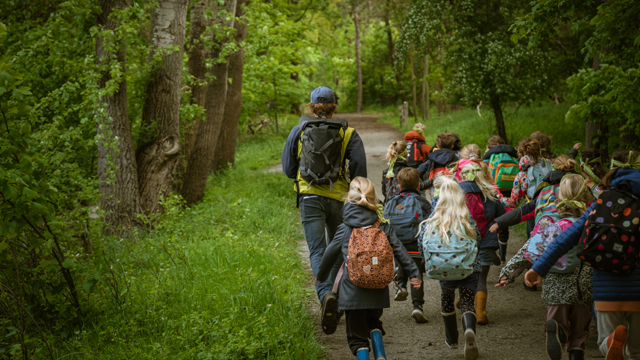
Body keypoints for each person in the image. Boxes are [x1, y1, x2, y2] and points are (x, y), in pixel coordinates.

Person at [525, 150, 640, 360]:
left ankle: (610, 342)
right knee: (636, 351)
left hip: (607, 290)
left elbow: (566, 237)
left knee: (607, 343)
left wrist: (538, 268)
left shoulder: (601, 203)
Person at [281, 86, 367, 335]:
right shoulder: (348, 132)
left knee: (317, 249)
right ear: (334, 107)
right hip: (340, 199)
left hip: (309, 198)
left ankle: (324, 296)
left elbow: (288, 170)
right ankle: (335, 296)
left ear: (311, 107)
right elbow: (360, 172)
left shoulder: (298, 131)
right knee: (340, 247)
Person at [317, 177, 421, 360]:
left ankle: (366, 353)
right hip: (377, 289)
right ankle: (380, 352)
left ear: (349, 199)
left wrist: (322, 275)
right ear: (373, 199)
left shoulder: (345, 229)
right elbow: (401, 252)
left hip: (352, 291)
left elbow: (329, 254)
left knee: (357, 339)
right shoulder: (382, 227)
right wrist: (414, 273)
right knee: (374, 321)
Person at [494, 174, 595, 360]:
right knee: (579, 336)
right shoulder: (593, 222)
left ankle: (558, 330)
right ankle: (574, 348)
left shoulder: (550, 222)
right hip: (583, 284)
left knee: (556, 320)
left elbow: (530, 249)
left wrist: (508, 272)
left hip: (555, 285)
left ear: (559, 195)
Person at [422, 175, 481, 359]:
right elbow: (477, 237)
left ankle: (451, 338)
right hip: (468, 266)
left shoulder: (435, 216)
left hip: (444, 266)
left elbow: (422, 239)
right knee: (467, 302)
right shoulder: (466, 215)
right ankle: (469, 329)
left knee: (447, 298)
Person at [455, 159, 506, 325]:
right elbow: (502, 217)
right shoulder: (490, 194)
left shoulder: (456, 196)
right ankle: (481, 313)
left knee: (465, 274)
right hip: (487, 241)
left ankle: (466, 303)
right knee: (482, 278)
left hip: (463, 242)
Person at [383, 167, 432, 322]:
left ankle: (401, 286)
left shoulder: (392, 202)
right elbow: (428, 224)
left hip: (397, 244)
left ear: (399, 186)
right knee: (416, 273)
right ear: (419, 185)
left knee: (401, 263)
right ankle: (417, 306)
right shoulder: (423, 202)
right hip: (415, 243)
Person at [482, 135, 519, 263]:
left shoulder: (488, 157)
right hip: (508, 191)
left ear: (489, 146)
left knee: (491, 219)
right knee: (504, 219)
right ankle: (503, 254)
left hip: (493, 190)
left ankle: (493, 249)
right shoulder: (513, 156)